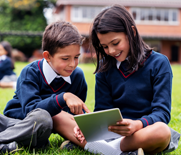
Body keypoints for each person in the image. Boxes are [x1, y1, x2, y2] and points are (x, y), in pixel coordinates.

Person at [74, 4, 180, 155]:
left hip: (144, 132)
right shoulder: (105, 68)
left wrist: (138, 124)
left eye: (115, 43)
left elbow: (161, 113)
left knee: (162, 131)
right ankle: (121, 150)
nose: (111, 51)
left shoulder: (159, 64)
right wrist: (89, 129)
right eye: (104, 46)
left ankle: (107, 150)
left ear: (132, 32)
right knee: (64, 120)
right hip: (112, 135)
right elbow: (103, 111)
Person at [0, 21, 90, 154]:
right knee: (41, 117)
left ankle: (15, 144)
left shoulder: (77, 76)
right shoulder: (30, 72)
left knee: (43, 119)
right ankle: (12, 143)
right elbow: (30, 110)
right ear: (47, 56)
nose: (72, 64)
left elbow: (73, 116)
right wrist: (62, 98)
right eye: (65, 58)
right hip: (15, 123)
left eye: (76, 57)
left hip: (41, 127)